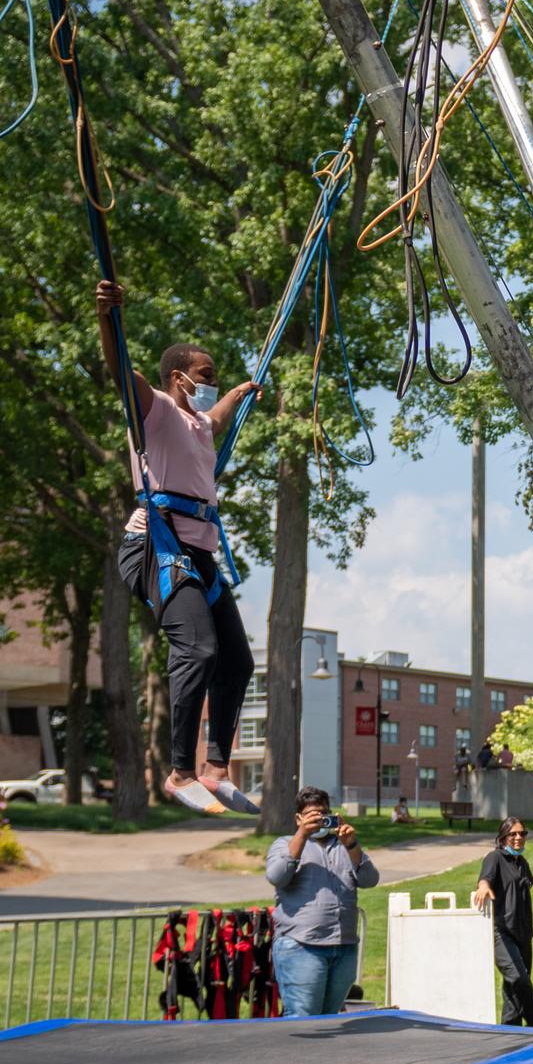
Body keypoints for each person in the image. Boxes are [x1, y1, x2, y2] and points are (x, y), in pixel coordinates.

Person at [99, 280, 262, 816]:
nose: (211, 386)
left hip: (199, 555)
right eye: (206, 377)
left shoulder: (197, 426)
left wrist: (238, 393)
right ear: (178, 379)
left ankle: (216, 770)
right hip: (156, 546)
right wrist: (110, 321)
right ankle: (179, 771)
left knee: (237, 662)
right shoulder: (159, 413)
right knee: (198, 650)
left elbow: (216, 418)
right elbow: (122, 372)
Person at [265, 786, 378, 1016]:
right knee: (303, 1019)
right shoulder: (284, 843)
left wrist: (352, 845)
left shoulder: (344, 845)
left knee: (330, 1019)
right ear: (298, 818)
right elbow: (276, 876)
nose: (320, 820)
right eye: (312, 815)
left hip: (343, 947)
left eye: (324, 813)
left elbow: (370, 879)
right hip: (302, 946)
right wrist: (302, 836)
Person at [471, 818, 533, 1026]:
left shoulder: (522, 863)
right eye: (513, 834)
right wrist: (483, 886)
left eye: (522, 833)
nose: (518, 837)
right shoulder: (495, 858)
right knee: (519, 979)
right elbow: (486, 878)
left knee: (514, 987)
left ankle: (511, 1029)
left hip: (524, 933)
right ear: (503, 837)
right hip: (501, 932)